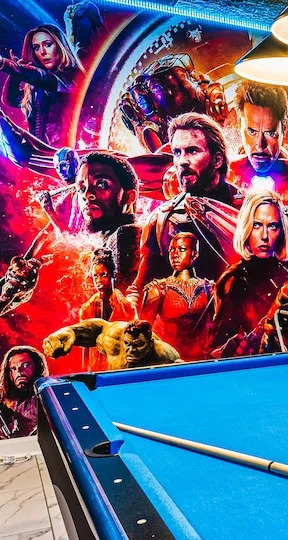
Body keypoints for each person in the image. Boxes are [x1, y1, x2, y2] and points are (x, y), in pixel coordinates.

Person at [134, 112, 238, 291]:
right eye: (177, 152)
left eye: (192, 151)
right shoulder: (162, 220)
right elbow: (141, 286)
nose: (182, 161)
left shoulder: (250, 211)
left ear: (217, 160)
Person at [0, 25, 82, 145]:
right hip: (42, 150)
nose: (42, 52)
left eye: (48, 44)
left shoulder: (72, 76)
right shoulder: (38, 87)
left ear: (60, 45)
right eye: (36, 47)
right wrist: (15, 75)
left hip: (69, 148)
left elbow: (42, 78)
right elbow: (10, 100)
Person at [213, 190, 288, 356]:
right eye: (257, 225)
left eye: (272, 226)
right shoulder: (234, 280)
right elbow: (218, 346)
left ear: (281, 231)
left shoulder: (287, 276)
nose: (265, 236)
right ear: (246, 228)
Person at [140, 233, 215, 360]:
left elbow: (219, 328)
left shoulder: (210, 289)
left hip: (202, 360)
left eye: (181, 249)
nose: (174, 254)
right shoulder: (158, 289)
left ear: (195, 254)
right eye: (171, 250)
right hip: (169, 360)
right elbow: (142, 332)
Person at [227, 81, 288, 197]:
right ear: (239, 126)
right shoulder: (227, 174)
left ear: (284, 129)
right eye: (252, 132)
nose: (260, 146)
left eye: (270, 133)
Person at [75, 152, 141, 289]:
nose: (87, 194)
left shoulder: (125, 235)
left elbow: (124, 297)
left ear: (129, 196)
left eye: (101, 184)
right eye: (81, 188)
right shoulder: (114, 236)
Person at [0, 346, 47, 441]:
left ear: (37, 367)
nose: (19, 372)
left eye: (25, 365)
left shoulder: (44, 398)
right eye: (13, 369)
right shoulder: (10, 401)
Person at [43, 319, 179, 371]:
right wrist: (71, 331)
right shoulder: (114, 339)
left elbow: (181, 368)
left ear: (150, 344)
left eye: (139, 345)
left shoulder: (162, 353)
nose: (132, 350)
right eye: (127, 344)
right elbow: (98, 329)